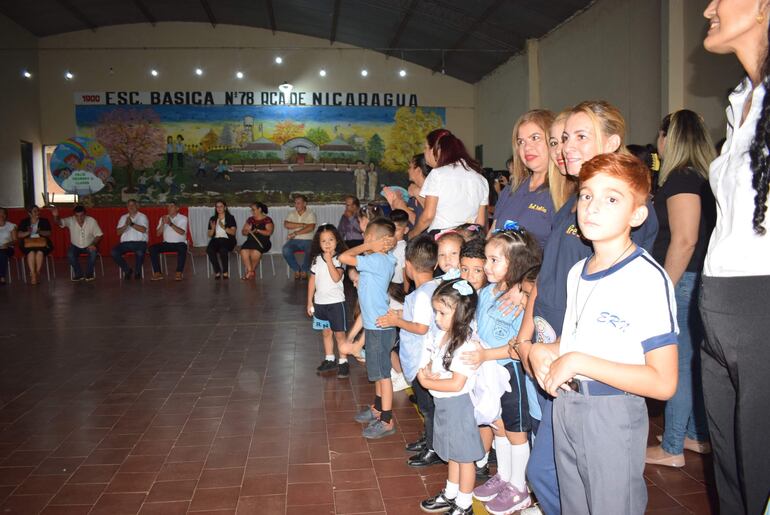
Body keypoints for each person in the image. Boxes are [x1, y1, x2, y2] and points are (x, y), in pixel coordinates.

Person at [516, 100, 659, 515]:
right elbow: (549, 281)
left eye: (580, 136)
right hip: (555, 352)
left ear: (613, 143)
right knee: (559, 472)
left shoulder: (612, 218)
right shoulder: (573, 205)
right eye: (562, 138)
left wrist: (563, 348)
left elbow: (611, 301)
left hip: (589, 368)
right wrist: (528, 339)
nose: (566, 147)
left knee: (572, 478)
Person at [699, 3, 770, 513]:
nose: (708, 8)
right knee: (729, 466)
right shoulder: (741, 100)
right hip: (718, 302)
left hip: (759, 300)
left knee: (760, 463)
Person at [645, 110, 716, 468]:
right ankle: (692, 434)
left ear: (668, 139)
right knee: (690, 362)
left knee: (680, 365)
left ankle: (672, 447)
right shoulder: (700, 177)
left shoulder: (681, 178)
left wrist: (664, 289)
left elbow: (684, 240)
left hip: (683, 279)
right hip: (696, 279)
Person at [463, 225, 541, 515]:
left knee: (515, 430)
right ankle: (505, 476)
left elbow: (516, 347)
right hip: (489, 373)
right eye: (487, 258)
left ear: (517, 263)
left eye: (495, 260)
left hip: (510, 374)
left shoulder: (521, 300)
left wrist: (484, 354)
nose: (486, 265)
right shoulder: (488, 292)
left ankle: (519, 487)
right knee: (498, 426)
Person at [417, 279, 484, 515]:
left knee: (464, 457)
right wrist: (429, 370)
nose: (437, 318)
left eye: (442, 313)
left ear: (460, 312)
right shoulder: (445, 335)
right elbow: (438, 364)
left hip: (458, 406)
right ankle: (451, 493)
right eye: (436, 312)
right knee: (453, 453)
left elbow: (457, 383)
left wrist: (427, 381)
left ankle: (465, 505)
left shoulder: (465, 344)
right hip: (444, 403)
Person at [377, 235, 441, 467]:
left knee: (428, 407)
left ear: (409, 267)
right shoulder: (432, 288)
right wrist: (401, 315)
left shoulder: (422, 294)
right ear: (434, 264)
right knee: (427, 407)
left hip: (422, 359)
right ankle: (429, 439)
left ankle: (434, 448)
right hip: (422, 358)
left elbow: (421, 327)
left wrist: (397, 321)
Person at [339, 218, 397, 439]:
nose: (364, 241)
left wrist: (368, 247)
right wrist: (352, 338)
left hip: (380, 330)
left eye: (367, 238)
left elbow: (344, 257)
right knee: (376, 372)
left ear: (375, 241)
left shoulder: (377, 261)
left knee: (383, 375)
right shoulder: (381, 260)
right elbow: (366, 308)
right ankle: (378, 407)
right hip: (375, 326)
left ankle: (387, 419)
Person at [491, 110, 568, 249]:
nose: (527, 147)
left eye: (535, 138)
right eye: (521, 142)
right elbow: (491, 235)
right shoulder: (511, 189)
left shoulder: (565, 192)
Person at [411, 129, 489, 237]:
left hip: (442, 239)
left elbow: (428, 216)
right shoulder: (481, 179)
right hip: (468, 239)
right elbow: (480, 222)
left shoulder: (437, 174)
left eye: (426, 147)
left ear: (436, 150)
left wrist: (412, 235)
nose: (424, 152)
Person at [307, 224, 349, 377]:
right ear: (319, 243)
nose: (327, 243)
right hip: (320, 303)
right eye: (323, 241)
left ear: (337, 240)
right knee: (326, 332)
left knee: (339, 334)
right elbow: (312, 281)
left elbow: (336, 277)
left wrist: (329, 260)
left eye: (331, 239)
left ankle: (343, 361)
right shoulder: (316, 260)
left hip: (336, 303)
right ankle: (330, 358)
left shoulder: (340, 258)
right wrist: (309, 301)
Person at [53, 205, 103, 282]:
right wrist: (56, 216)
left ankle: (89, 274)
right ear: (74, 215)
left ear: (85, 215)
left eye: (81, 216)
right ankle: (79, 274)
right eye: (77, 216)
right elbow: (59, 222)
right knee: (70, 254)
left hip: (89, 245)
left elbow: (99, 235)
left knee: (93, 252)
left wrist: (93, 244)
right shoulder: (70, 220)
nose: (79, 218)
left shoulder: (92, 221)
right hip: (75, 246)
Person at [383, 154, 433, 226]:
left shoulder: (429, 193)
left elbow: (425, 225)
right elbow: (406, 222)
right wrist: (395, 204)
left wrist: (403, 207)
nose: (408, 171)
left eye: (410, 167)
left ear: (418, 170)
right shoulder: (413, 192)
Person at [149, 201, 189, 281]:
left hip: (180, 243)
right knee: (152, 248)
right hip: (166, 243)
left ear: (177, 208)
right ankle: (157, 273)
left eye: (171, 206)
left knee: (182, 248)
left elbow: (182, 232)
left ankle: (179, 273)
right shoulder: (163, 218)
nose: (169, 208)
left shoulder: (183, 218)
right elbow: (158, 234)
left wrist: (170, 224)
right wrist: (163, 224)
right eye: (168, 206)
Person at [111, 199, 149, 280]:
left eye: (133, 205)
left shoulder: (142, 216)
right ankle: (127, 270)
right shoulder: (123, 217)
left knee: (140, 252)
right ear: (127, 207)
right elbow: (118, 232)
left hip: (140, 243)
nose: (131, 207)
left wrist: (131, 224)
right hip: (125, 244)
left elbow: (143, 230)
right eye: (129, 205)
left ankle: (138, 272)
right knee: (114, 252)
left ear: (137, 206)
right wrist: (126, 225)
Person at [282, 194, 317, 280]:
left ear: (304, 204)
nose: (296, 205)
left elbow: (310, 228)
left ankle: (304, 270)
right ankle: (297, 269)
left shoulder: (311, 214)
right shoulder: (291, 213)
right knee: (285, 249)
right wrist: (302, 225)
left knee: (310, 250)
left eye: (298, 203)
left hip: (307, 240)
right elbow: (287, 224)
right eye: (295, 203)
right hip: (293, 241)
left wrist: (295, 233)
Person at [16, 205, 53, 285]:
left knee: (40, 252)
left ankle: (37, 273)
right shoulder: (24, 221)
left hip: (42, 244)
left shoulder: (44, 221)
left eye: (38, 211)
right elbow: (19, 234)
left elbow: (48, 233)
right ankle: (33, 274)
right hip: (28, 244)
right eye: (35, 211)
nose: (37, 213)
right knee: (31, 252)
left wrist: (39, 232)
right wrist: (28, 232)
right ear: (29, 213)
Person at [240, 202, 274, 280]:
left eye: (253, 210)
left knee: (255, 252)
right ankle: (250, 271)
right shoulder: (250, 219)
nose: (252, 211)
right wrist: (246, 231)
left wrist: (258, 230)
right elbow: (243, 232)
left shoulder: (267, 220)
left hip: (263, 242)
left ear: (259, 209)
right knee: (243, 251)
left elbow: (269, 232)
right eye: (251, 210)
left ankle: (250, 271)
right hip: (250, 241)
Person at [206, 200, 237, 279]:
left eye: (221, 206)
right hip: (216, 240)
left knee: (223, 250)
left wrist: (224, 227)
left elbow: (233, 232)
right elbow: (209, 234)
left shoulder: (230, 218)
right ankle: (217, 271)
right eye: (217, 206)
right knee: (209, 249)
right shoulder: (212, 219)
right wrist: (213, 229)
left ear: (225, 208)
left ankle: (225, 271)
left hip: (228, 240)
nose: (219, 208)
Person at [0, 208, 17, 285]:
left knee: (2, 254)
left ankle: (2, 277)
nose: (1, 215)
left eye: (3, 213)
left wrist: (7, 244)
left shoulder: (11, 226)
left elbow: (15, 241)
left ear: (6, 215)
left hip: (7, 248)